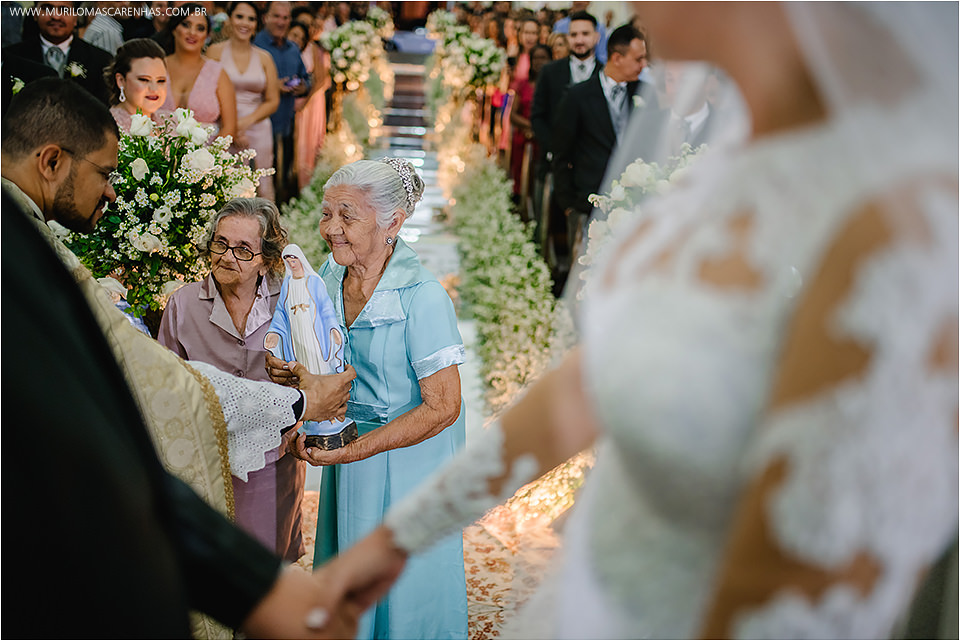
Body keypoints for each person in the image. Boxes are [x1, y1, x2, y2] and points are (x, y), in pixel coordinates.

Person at [319, 3, 960, 638]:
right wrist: (400, 537)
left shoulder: (897, 215)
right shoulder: (719, 168)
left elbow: (805, 561)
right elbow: (583, 392)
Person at [1, 77, 383, 639]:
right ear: (52, 161)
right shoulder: (20, 251)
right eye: (105, 173)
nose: (112, 193)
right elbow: (158, 383)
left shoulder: (28, 236)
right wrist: (301, 399)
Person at [268, 158, 468, 640]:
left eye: (347, 216)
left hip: (409, 464)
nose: (330, 229)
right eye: (326, 213)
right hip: (347, 449)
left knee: (403, 581)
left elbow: (444, 407)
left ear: (392, 222)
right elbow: (316, 356)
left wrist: (356, 450)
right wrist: (292, 378)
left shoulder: (422, 297)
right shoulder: (325, 279)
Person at [158, 198, 308, 563]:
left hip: (274, 459)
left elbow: (316, 371)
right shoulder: (183, 305)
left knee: (268, 567)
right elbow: (165, 386)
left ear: (266, 259)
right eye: (221, 243)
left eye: (243, 250)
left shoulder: (291, 302)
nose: (227, 256)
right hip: (205, 462)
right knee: (210, 570)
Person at [552, 24, 653, 260]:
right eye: (638, 59)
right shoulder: (577, 96)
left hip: (633, 203)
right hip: (588, 202)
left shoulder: (646, 94)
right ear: (617, 58)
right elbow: (561, 153)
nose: (644, 65)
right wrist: (569, 204)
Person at [207, 2, 279, 199]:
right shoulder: (214, 52)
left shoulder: (265, 58)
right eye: (239, 16)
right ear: (229, 19)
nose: (245, 23)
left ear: (257, 23)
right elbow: (206, 92)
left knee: (262, 183)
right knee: (223, 184)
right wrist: (230, 127)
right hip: (222, 127)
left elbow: (272, 101)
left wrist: (242, 124)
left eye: (251, 18)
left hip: (257, 128)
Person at [2, 0, 112, 104]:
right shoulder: (11, 56)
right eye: (47, 8)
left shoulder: (100, 60)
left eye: (64, 9)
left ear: (76, 17)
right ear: (35, 14)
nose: (55, 16)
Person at [254, 1, 310, 203]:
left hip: (287, 122)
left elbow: (306, 78)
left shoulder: (293, 49)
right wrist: (271, 86)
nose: (281, 22)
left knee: (283, 176)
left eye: (286, 18)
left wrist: (303, 86)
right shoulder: (255, 46)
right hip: (258, 125)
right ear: (265, 17)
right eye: (277, 16)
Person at [159, 3, 238, 141]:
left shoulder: (217, 73)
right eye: (186, 25)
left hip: (205, 157)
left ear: (207, 35)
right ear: (174, 28)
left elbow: (229, 127)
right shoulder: (156, 67)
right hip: (156, 154)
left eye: (200, 28)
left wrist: (210, 157)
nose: (192, 33)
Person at [509, 43, 551, 216]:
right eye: (536, 58)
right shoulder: (523, 84)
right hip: (524, 139)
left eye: (543, 58)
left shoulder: (552, 86)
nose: (539, 62)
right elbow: (512, 115)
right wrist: (531, 126)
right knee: (522, 178)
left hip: (544, 140)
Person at [103, 38, 171, 132]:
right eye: (144, 80)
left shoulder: (173, 123)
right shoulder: (107, 127)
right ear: (121, 81)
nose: (154, 89)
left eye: (161, 81)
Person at [553, 0, 607, 64]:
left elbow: (602, 55)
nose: (579, 2)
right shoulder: (560, 26)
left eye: (585, 34)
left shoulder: (599, 27)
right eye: (573, 34)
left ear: (589, 2)